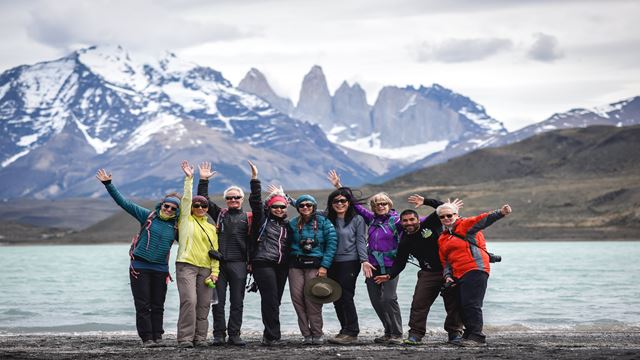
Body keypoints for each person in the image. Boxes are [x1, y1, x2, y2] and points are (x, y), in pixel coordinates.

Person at [96, 168, 180, 347]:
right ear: (161, 205)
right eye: (166, 206)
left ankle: (158, 337)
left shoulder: (177, 227)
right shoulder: (148, 216)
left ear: (177, 211)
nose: (169, 209)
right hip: (139, 267)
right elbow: (124, 203)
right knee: (143, 305)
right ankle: (147, 339)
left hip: (160, 269)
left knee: (158, 305)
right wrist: (108, 184)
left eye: (173, 208)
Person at [375, 195, 464, 346]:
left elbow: (443, 208)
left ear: (418, 220)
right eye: (405, 221)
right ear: (401, 223)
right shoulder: (405, 241)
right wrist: (390, 275)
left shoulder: (429, 223)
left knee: (453, 302)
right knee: (419, 303)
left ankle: (454, 333)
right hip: (428, 273)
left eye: (412, 219)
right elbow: (400, 262)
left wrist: (426, 201)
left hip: (448, 270)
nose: (409, 223)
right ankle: (415, 334)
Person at [327, 170, 402, 344]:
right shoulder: (371, 218)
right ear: (373, 207)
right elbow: (355, 205)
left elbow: (417, 221)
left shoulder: (397, 221)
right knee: (376, 301)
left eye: (384, 203)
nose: (381, 206)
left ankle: (397, 333)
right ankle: (388, 331)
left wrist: (440, 211)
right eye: (377, 204)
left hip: (391, 264)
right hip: (373, 265)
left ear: (389, 205)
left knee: (388, 298)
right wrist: (339, 186)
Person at [437, 202, 512, 347]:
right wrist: (447, 275)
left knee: (471, 304)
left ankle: (477, 336)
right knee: (461, 304)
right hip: (458, 274)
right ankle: (469, 334)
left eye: (449, 215)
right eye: (442, 216)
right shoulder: (443, 238)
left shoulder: (465, 225)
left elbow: (482, 219)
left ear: (456, 215)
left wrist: (501, 212)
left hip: (475, 268)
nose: (446, 218)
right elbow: (445, 261)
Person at [196, 161, 250, 346]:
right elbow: (202, 200)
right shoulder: (220, 214)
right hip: (218, 265)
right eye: (229, 198)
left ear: (242, 199)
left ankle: (234, 335)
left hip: (240, 264)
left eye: (236, 197)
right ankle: (219, 334)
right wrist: (203, 180)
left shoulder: (248, 217)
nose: (233, 200)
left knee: (237, 302)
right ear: (226, 200)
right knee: (217, 302)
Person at [175, 160, 220, 348]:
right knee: (189, 301)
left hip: (206, 269)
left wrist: (215, 271)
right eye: (197, 205)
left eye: (204, 206)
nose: (200, 208)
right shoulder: (186, 220)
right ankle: (185, 338)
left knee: (203, 305)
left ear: (208, 209)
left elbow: (215, 252)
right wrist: (189, 179)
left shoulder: (211, 227)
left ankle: (200, 338)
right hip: (186, 266)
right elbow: (186, 200)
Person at [247, 161, 290, 346]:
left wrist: (284, 195)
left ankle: (268, 334)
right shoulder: (262, 220)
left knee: (276, 301)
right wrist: (255, 179)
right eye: (275, 207)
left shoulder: (288, 226)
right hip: (263, 263)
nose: (279, 210)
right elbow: (255, 202)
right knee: (270, 299)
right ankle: (273, 337)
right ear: (270, 208)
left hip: (282, 265)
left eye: (282, 207)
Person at [288, 194, 338, 345]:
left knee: (313, 299)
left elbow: (332, 244)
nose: (305, 208)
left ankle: (317, 333)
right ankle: (306, 334)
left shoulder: (324, 222)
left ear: (314, 206)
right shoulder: (293, 223)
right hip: (295, 265)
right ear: (297, 208)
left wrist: (324, 266)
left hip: (316, 265)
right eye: (302, 205)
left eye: (308, 205)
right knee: (297, 299)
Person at [324, 188, 370, 345]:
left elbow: (361, 241)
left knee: (346, 295)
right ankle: (344, 329)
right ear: (331, 204)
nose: (339, 203)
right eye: (336, 201)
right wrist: (287, 198)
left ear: (349, 203)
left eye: (343, 201)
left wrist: (364, 260)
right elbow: (307, 208)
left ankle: (352, 331)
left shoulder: (357, 219)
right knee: (335, 296)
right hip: (331, 262)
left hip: (350, 261)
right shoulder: (327, 218)